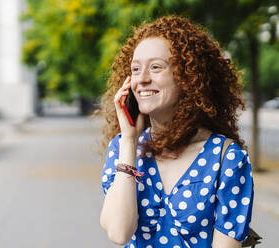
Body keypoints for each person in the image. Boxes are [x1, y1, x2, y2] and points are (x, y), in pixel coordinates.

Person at [98, 16, 254, 248]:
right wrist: (130, 142)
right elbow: (119, 233)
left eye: (156, 67)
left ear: (187, 77)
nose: (142, 78)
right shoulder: (123, 150)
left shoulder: (227, 158)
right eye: (136, 69)